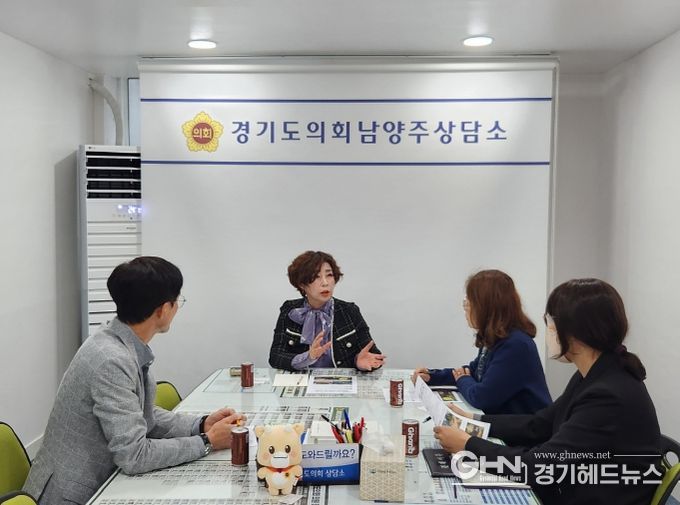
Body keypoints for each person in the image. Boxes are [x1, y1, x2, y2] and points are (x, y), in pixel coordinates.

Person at [23, 257, 246, 505]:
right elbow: (134, 455)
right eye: (177, 301)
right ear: (162, 310)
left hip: (98, 483)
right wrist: (207, 441)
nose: (177, 308)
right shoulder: (111, 360)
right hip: (73, 495)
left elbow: (140, 415)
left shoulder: (116, 342)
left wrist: (201, 425)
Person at [434, 278, 661, 505]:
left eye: (551, 325)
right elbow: (539, 424)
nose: (549, 332)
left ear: (576, 334)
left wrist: (469, 445)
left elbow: (539, 467)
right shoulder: (596, 374)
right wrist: (474, 421)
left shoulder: (607, 395)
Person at [412, 269, 551, 415]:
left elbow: (481, 397)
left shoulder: (516, 345)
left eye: (468, 303)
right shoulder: (496, 336)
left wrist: (463, 380)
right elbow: (475, 372)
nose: (466, 310)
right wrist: (433, 376)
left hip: (523, 428)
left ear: (486, 307)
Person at [269, 250, 385, 372]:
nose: (325, 283)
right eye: (316, 277)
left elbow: (372, 354)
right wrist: (307, 357)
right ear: (302, 284)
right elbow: (275, 357)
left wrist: (358, 362)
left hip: (340, 381)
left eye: (329, 275)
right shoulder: (291, 310)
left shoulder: (349, 311)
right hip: (303, 381)